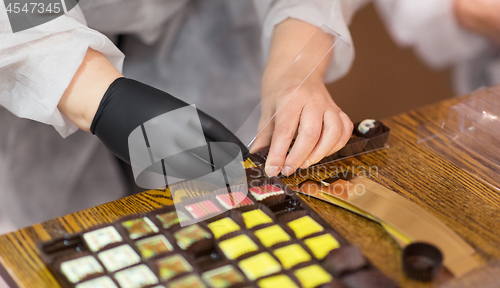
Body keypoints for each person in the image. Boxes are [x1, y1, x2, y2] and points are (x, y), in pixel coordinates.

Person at [0, 1, 356, 229]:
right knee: (65, 237)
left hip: (206, 21)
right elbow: (19, 9)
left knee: (234, 214)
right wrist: (95, 94)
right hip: (35, 27)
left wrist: (293, 69)